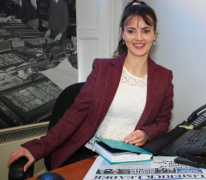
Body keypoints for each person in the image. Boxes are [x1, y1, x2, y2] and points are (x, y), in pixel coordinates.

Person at [7, 0, 174, 172]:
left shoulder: (164, 77)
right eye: (131, 31)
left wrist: (146, 133)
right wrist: (37, 148)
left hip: (133, 158)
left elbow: (163, 121)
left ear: (155, 34)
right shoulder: (102, 69)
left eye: (145, 31)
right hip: (92, 154)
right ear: (123, 35)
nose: (139, 37)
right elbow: (74, 115)